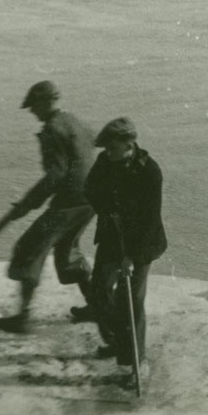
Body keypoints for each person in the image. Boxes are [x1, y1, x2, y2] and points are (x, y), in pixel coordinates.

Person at [0, 81, 97, 334]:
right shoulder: (76, 122)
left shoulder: (51, 130)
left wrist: (26, 205)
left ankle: (21, 318)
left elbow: (56, 175)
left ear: (46, 102)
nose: (33, 113)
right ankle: (97, 305)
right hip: (90, 200)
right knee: (68, 250)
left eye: (34, 106)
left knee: (29, 247)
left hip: (68, 203)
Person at [83, 117, 167, 376]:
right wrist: (108, 210)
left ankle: (135, 364)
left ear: (128, 144)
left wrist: (132, 257)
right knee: (98, 289)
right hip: (111, 238)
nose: (107, 152)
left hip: (142, 243)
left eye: (112, 147)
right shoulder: (105, 162)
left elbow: (149, 220)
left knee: (130, 301)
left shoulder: (149, 171)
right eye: (105, 148)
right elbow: (90, 189)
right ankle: (118, 341)